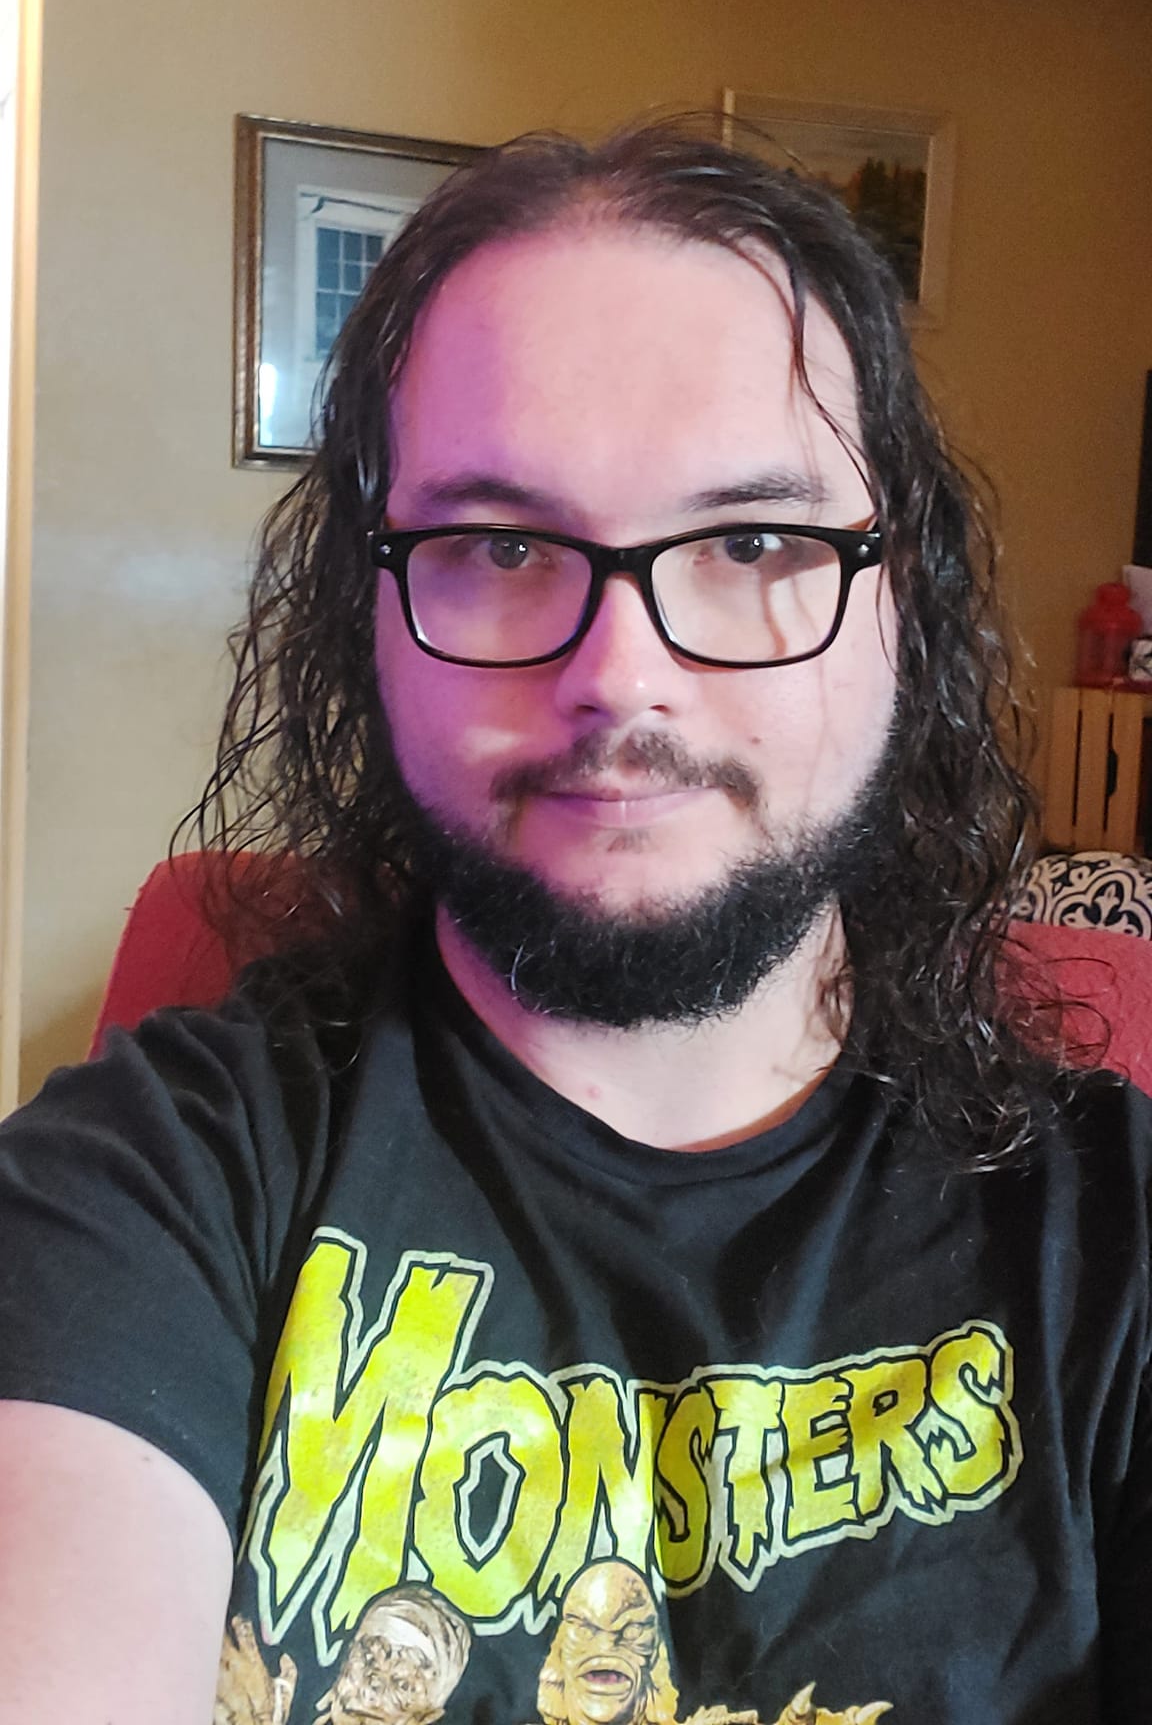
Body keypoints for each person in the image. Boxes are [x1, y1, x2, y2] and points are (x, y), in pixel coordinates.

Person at [0, 124, 1147, 1725]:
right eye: (502, 547)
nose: (621, 676)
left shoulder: (1120, 1241)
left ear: (908, 608)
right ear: (369, 618)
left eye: (756, 543)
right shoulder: (139, 1188)